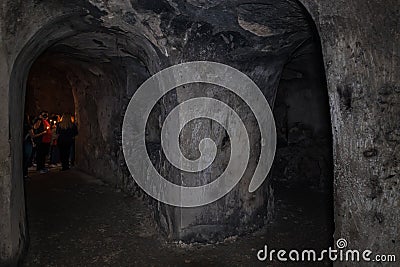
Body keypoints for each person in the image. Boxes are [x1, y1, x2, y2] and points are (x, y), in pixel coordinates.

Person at [23, 114, 34, 179]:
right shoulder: (28, 126)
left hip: (23, 142)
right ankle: (25, 174)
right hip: (27, 142)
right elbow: (32, 135)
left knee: (23, 159)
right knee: (26, 159)